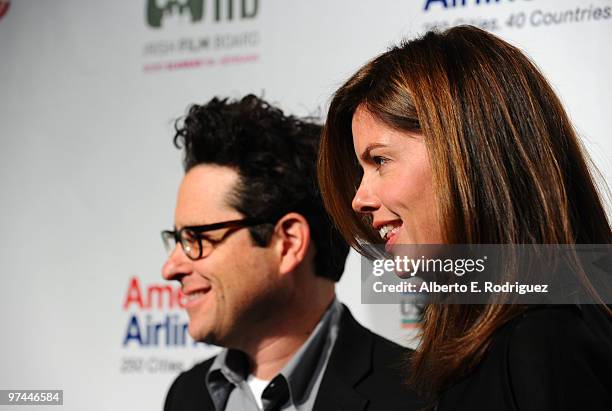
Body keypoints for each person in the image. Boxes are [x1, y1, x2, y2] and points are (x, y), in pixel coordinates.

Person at [317, 25, 612, 410]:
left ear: (465, 152)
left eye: (380, 160)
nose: (359, 199)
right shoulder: (501, 342)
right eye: (361, 170)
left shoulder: (546, 343)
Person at [161, 95, 424, 411]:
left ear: (288, 243)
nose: (171, 268)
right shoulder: (188, 395)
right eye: (176, 240)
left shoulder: (416, 394)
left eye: (198, 239)